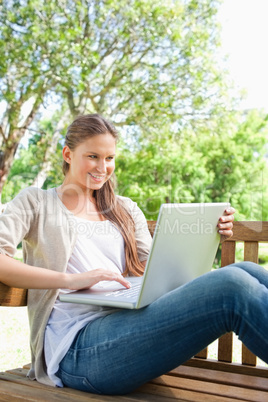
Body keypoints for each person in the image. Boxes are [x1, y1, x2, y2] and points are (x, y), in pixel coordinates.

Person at [0, 114, 267, 395]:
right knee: (233, 287)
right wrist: (70, 280)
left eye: (110, 158)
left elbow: (159, 272)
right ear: (68, 154)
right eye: (93, 156)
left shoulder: (124, 208)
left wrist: (209, 234)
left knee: (248, 272)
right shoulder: (36, 201)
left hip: (128, 326)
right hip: (77, 348)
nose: (103, 167)